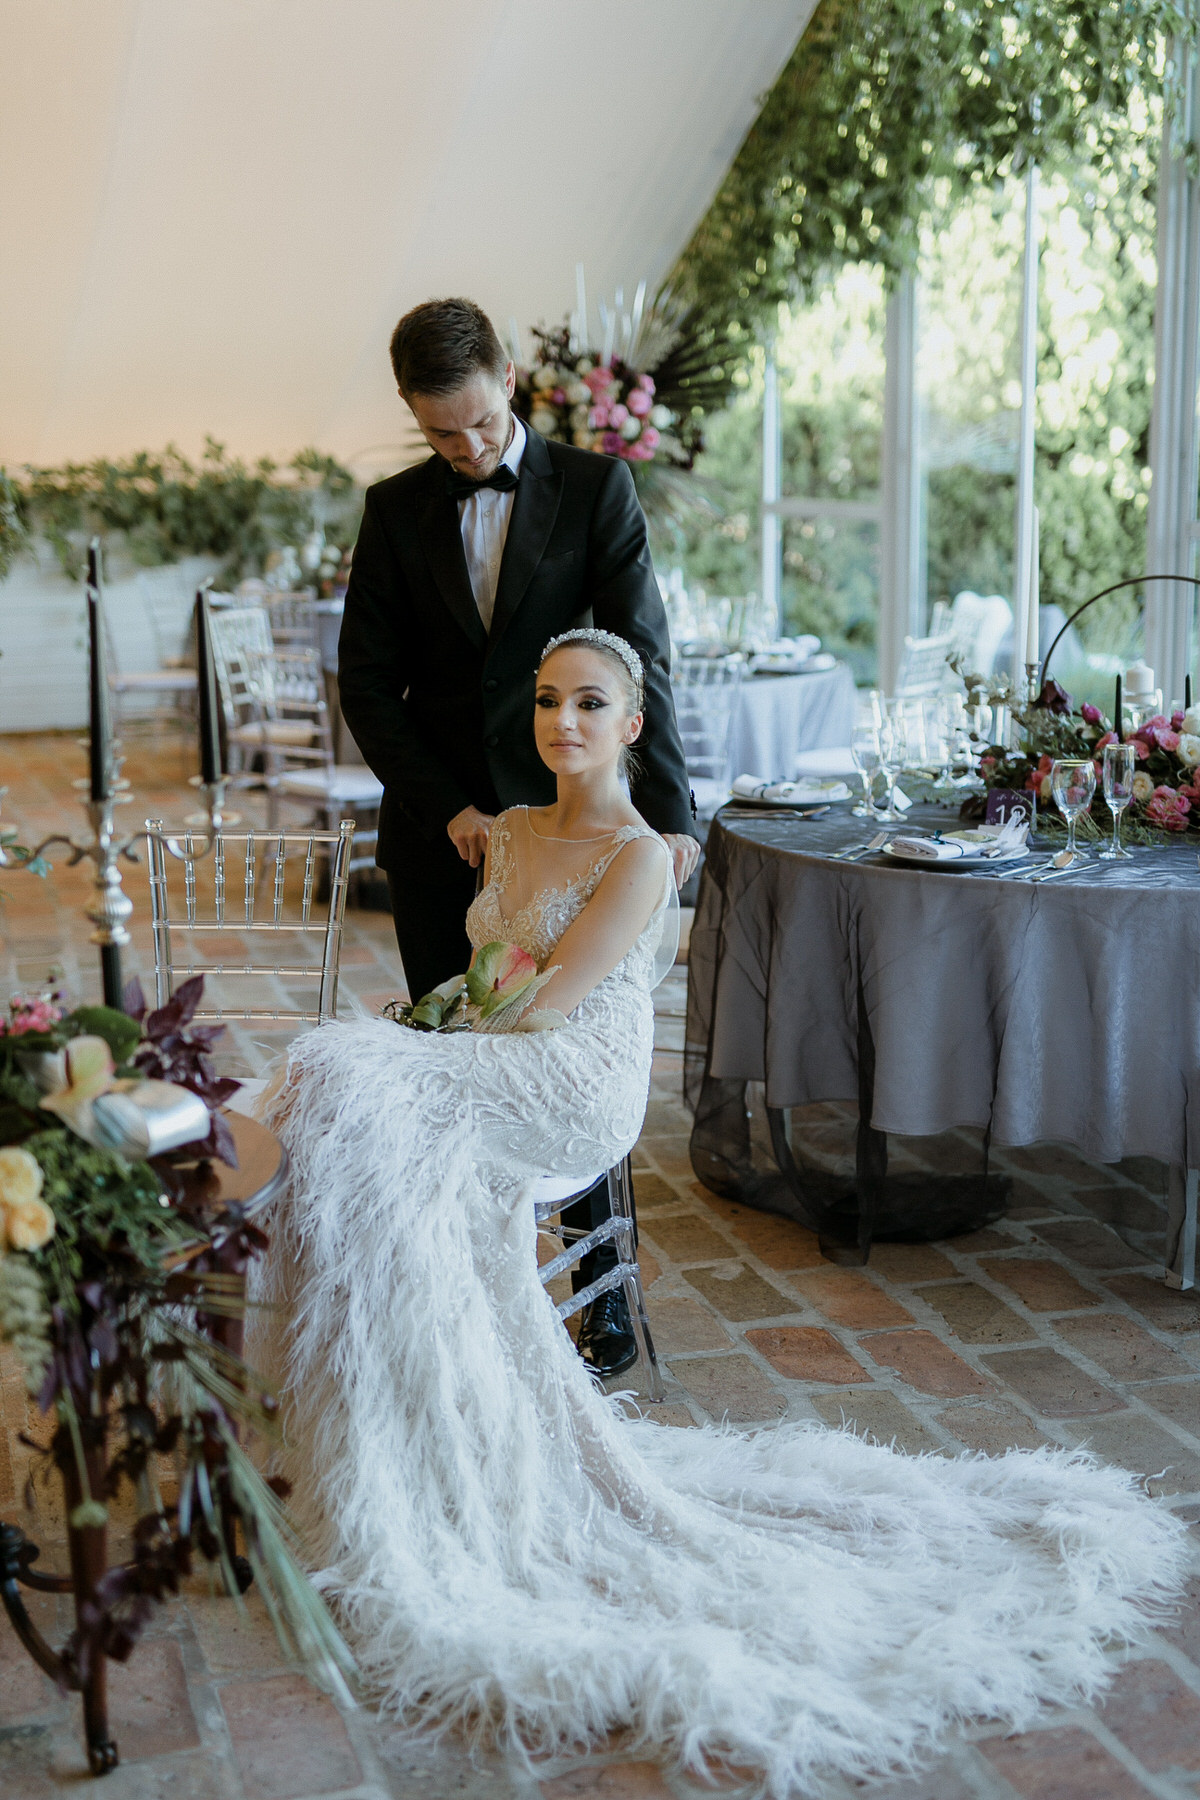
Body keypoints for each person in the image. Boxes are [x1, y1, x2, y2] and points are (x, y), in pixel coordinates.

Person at [259, 630, 1185, 1800]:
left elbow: (550, 1002)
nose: (564, 722)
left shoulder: (642, 855)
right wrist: (424, 1023)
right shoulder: (512, 828)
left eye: (590, 703)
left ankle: (405, 1403)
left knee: (356, 1087)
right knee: (344, 1098)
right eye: (548, 701)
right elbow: (486, 980)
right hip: (498, 1041)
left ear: (632, 725)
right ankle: (377, 1402)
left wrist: (421, 1046)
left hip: (570, 1074)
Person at [338, 297, 700, 1377]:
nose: (467, 449)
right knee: (452, 1070)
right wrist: (449, 806)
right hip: (442, 836)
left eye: (481, 425)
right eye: (441, 433)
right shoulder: (394, 509)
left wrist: (671, 820)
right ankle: (461, 1305)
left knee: (558, 1053)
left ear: (508, 379)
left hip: (574, 831)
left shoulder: (596, 488)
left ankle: (604, 1296)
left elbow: (641, 658)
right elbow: (367, 683)